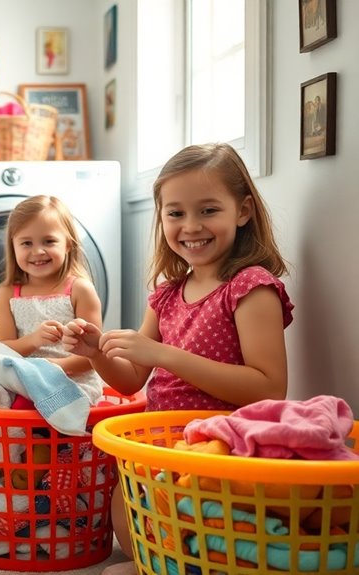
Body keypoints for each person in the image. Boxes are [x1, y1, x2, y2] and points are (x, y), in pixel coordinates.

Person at [62, 143, 294, 575]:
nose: (191, 226)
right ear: (162, 217)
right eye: (175, 213)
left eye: (208, 210)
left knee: (183, 541)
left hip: (221, 452)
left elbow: (268, 388)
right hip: (161, 445)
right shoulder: (168, 292)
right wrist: (95, 352)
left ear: (242, 211)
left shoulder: (250, 286)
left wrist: (165, 354)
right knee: (128, 538)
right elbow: (132, 380)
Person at [0, 195, 104, 403]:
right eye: (26, 243)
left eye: (49, 241)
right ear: (13, 247)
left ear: (68, 245)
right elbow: (2, 351)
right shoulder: (7, 293)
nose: (37, 251)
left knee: (41, 406)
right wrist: (34, 340)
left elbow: (93, 356)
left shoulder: (79, 289)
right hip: (23, 380)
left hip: (74, 381)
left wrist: (52, 368)